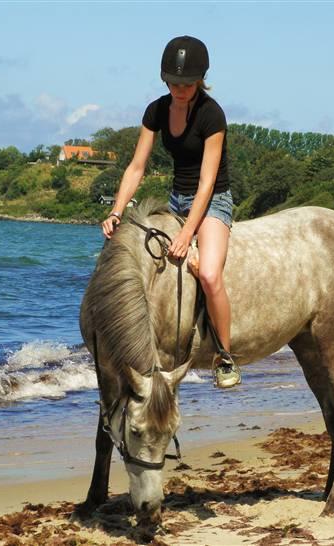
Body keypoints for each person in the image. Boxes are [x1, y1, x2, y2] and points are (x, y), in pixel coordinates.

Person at [100, 35, 241, 389]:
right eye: (174, 82)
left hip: (212, 202)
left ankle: (225, 357)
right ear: (165, 79)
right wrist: (117, 212)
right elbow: (136, 167)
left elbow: (208, 182)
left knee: (207, 274)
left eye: (187, 83)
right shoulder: (156, 110)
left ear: (200, 81)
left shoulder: (212, 114)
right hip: (175, 199)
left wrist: (186, 233)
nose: (180, 89)